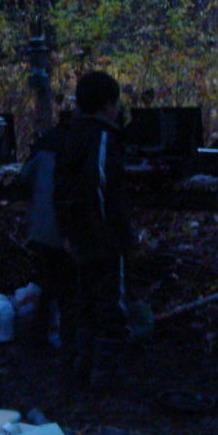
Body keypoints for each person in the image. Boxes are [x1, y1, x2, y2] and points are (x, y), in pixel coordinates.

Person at [54, 71, 133, 390]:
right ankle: (105, 373)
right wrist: (116, 235)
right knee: (109, 305)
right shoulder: (101, 137)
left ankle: (83, 365)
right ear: (108, 105)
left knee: (85, 300)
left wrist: (67, 232)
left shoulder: (70, 134)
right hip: (100, 237)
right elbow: (99, 186)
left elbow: (60, 189)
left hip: (79, 235)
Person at [18, 110, 76, 348]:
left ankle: (44, 333)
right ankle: (63, 337)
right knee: (65, 285)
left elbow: (24, 178)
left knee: (50, 280)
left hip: (43, 228)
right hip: (65, 230)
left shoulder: (46, 146)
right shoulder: (82, 146)